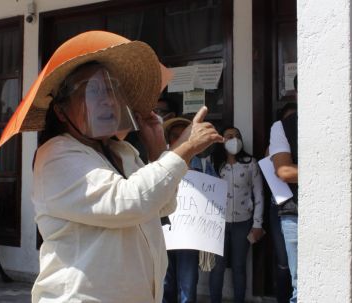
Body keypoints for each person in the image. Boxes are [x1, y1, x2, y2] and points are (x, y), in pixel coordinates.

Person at [30, 31, 222, 303]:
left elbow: (162, 206)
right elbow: (127, 203)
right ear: (61, 112)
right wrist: (185, 148)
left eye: (111, 90)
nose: (107, 100)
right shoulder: (55, 155)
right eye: (92, 91)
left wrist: (158, 150)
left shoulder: (123, 150)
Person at [208, 127, 264, 303]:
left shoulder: (250, 163)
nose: (234, 139)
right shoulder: (215, 164)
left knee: (239, 267)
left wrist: (257, 224)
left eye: (237, 136)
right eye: (229, 136)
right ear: (221, 140)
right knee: (217, 268)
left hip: (243, 223)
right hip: (218, 224)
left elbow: (259, 195)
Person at [161, 116, 201, 303]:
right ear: (168, 138)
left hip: (190, 235)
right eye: (175, 135)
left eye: (183, 135)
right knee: (165, 284)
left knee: (188, 284)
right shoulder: (158, 161)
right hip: (164, 232)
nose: (179, 139)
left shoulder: (203, 163)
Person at [269, 109, 298, 303]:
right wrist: (330, 172)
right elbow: (284, 171)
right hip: (294, 214)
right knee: (299, 283)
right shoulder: (283, 127)